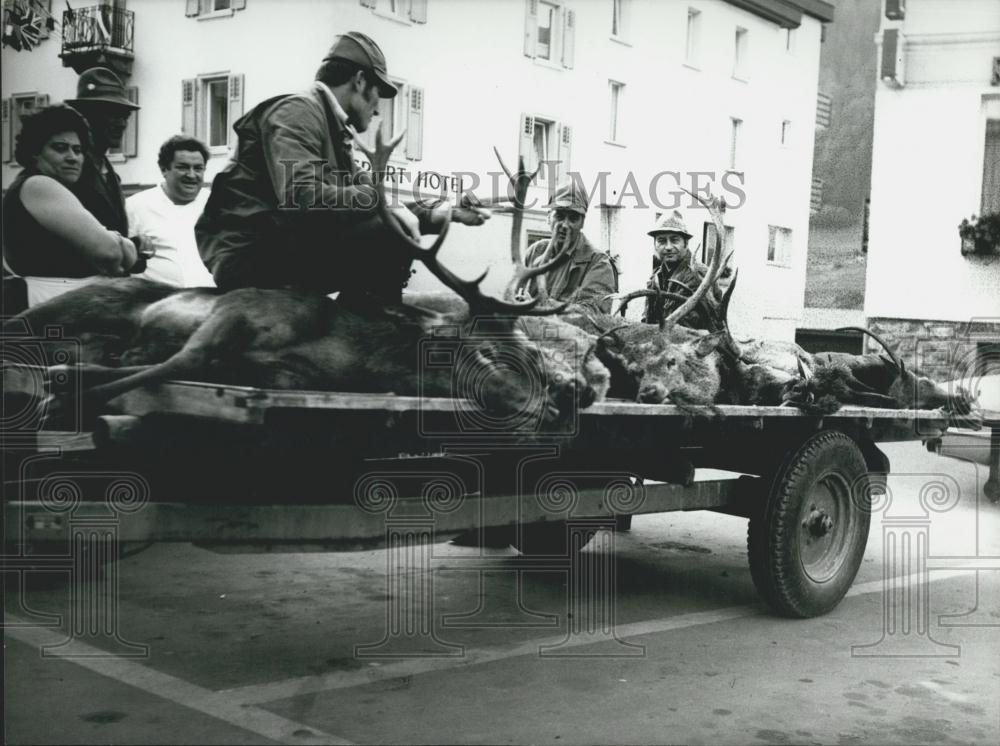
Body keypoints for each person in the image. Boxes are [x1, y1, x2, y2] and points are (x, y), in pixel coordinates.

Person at [195, 31, 487, 300]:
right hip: (250, 256)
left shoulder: (333, 130)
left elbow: (372, 201)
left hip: (278, 246)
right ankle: (374, 333)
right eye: (378, 96)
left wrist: (447, 212)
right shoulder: (297, 112)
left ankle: (363, 328)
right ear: (359, 81)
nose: (377, 110)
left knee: (387, 223)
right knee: (387, 230)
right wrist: (382, 202)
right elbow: (303, 196)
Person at [1, 104, 148, 306]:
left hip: (61, 302)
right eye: (60, 148)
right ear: (35, 152)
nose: (72, 157)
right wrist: (125, 243)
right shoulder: (39, 184)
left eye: (78, 150)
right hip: (48, 304)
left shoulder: (49, 186)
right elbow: (109, 251)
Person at [127, 136, 215, 287]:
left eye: (198, 168)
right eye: (183, 167)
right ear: (164, 169)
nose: (192, 175)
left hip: (209, 302)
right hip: (155, 303)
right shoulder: (135, 206)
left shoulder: (216, 204)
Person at [521, 182, 617, 314]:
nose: (565, 225)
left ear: (582, 222)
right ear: (548, 217)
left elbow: (593, 315)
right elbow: (517, 292)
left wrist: (540, 305)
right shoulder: (535, 252)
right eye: (559, 216)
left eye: (573, 218)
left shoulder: (598, 263)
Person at [64, 66, 138, 236]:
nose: (121, 124)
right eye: (112, 114)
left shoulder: (108, 172)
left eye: (124, 116)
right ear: (86, 116)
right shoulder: (71, 169)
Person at [641, 210, 717, 327]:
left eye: (674, 240)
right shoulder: (655, 277)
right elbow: (646, 320)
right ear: (655, 245)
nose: (668, 247)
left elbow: (698, 326)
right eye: (661, 241)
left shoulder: (699, 275)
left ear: (686, 243)